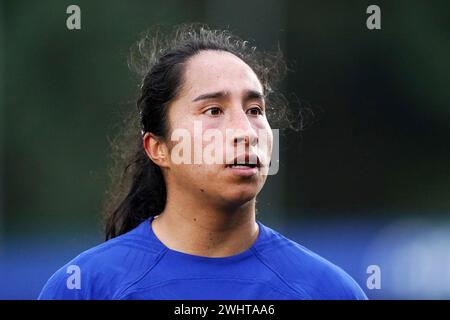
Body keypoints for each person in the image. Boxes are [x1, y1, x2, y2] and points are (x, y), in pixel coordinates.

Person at [38, 24, 367, 300]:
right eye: (213, 110)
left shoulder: (328, 291)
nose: (245, 131)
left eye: (255, 111)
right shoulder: (87, 287)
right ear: (158, 148)